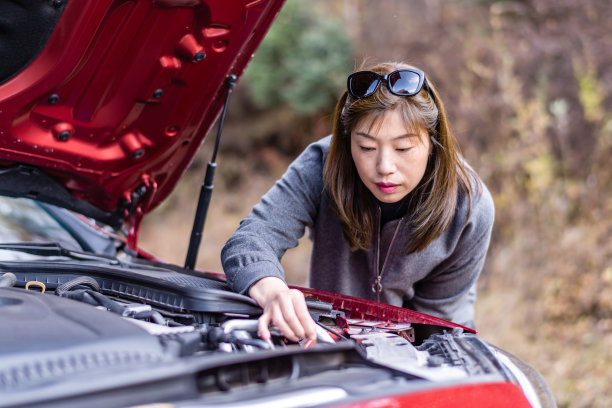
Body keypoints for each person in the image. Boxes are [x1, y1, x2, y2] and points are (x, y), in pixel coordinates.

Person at [221, 61, 494, 342]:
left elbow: (435, 326)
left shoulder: (470, 206)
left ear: (433, 142)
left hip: (432, 346)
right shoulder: (320, 166)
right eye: (366, 147)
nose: (385, 166)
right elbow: (251, 240)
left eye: (403, 148)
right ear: (347, 140)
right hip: (332, 338)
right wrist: (272, 292)